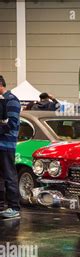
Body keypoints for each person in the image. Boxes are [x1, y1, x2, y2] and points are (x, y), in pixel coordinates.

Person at [0, 75, 21, 219]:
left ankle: (14, 207)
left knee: (9, 176)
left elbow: (12, 124)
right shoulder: (3, 100)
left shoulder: (12, 100)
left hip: (7, 144)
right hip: (2, 144)